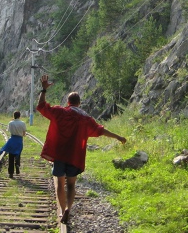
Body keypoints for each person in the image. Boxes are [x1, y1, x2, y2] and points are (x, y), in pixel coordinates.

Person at [36, 75, 127, 224]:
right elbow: (101, 130)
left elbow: (41, 106)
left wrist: (44, 89)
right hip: (75, 157)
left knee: (60, 183)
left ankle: (61, 208)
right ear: (79, 103)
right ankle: (68, 210)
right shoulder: (86, 119)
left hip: (59, 154)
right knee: (71, 185)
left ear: (68, 102)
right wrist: (118, 137)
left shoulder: (60, 112)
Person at [0, 111, 27, 178]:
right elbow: (24, 133)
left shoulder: (10, 123)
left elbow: (9, 131)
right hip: (19, 140)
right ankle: (17, 164)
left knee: (11, 156)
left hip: (12, 140)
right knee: (18, 153)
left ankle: (11, 173)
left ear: (13, 115)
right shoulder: (22, 123)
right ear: (19, 116)